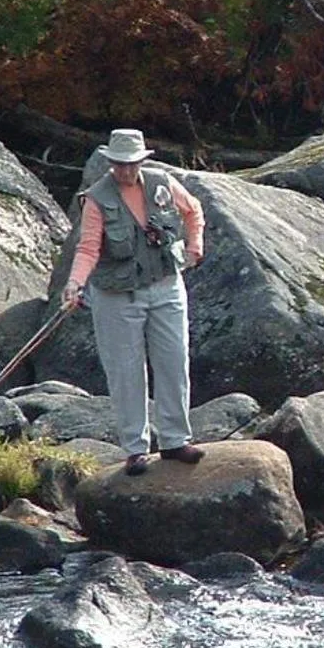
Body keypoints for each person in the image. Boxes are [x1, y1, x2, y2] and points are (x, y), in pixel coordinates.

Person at [62, 128, 206, 476]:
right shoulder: (96, 198)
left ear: (142, 160)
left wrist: (194, 245)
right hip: (116, 296)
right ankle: (135, 449)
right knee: (126, 372)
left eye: (131, 163)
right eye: (119, 164)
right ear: (110, 163)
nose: (125, 171)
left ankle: (175, 441)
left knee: (173, 362)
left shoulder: (162, 183)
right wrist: (74, 284)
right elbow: (88, 248)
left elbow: (194, 211)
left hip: (167, 286)